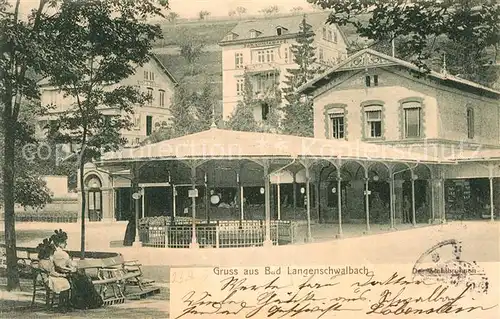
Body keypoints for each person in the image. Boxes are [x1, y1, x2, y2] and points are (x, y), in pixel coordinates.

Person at [50, 229, 104, 310]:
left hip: (64, 272)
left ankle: (82, 302)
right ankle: (87, 302)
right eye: (64, 242)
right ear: (59, 243)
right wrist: (72, 269)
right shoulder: (62, 253)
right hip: (66, 273)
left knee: (84, 279)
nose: (66, 244)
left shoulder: (55, 252)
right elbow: (66, 265)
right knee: (85, 280)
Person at [36, 238, 71, 312]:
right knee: (64, 282)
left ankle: (63, 304)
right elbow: (52, 273)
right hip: (47, 279)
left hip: (50, 277)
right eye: (50, 253)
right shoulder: (44, 262)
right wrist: (62, 275)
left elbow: (53, 271)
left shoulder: (45, 261)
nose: (51, 254)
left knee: (65, 282)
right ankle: (62, 305)